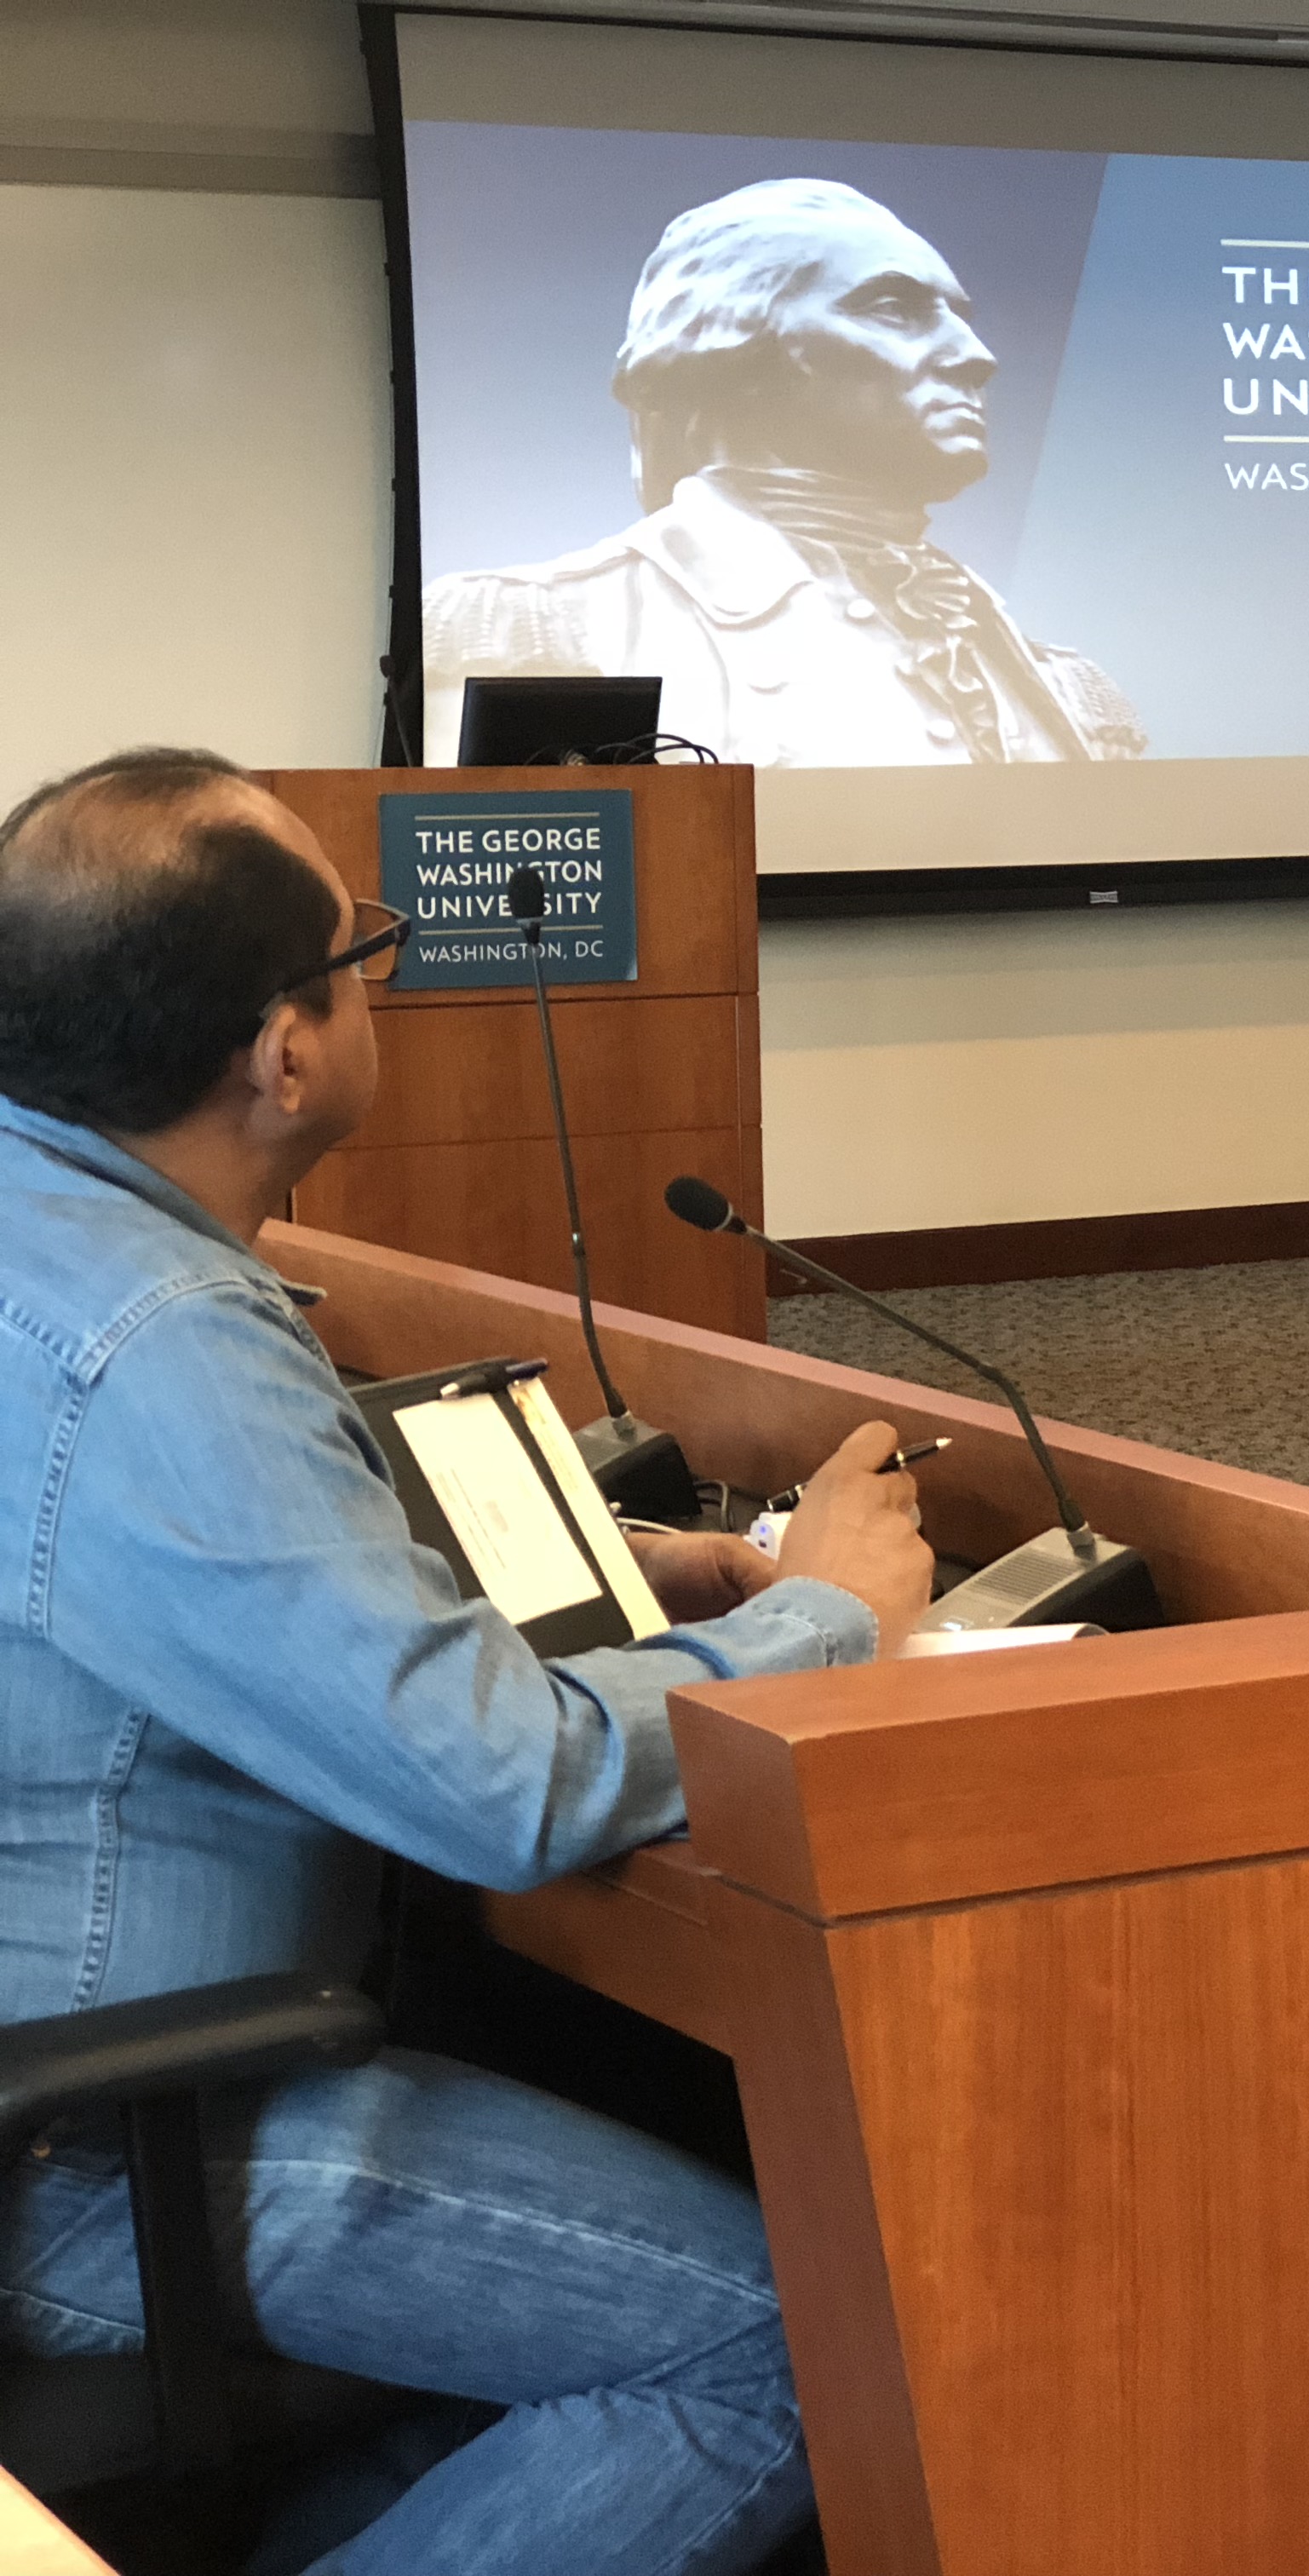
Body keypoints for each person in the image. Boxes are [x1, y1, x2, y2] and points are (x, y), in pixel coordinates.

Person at [0, 749, 938, 2571]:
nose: (379, 983)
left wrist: (581, 1572)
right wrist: (818, 1617)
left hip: (73, 2079)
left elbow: (156, 1577)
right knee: (809, 2336)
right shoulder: (161, 1340)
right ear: (284, 1053)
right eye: (369, 951)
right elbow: (504, 1788)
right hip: (104, 2146)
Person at [427, 178, 1144, 769]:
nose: (976, 355)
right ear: (727, 345)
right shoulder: (542, 633)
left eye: (961, 316)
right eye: (894, 308)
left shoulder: (1071, 690)